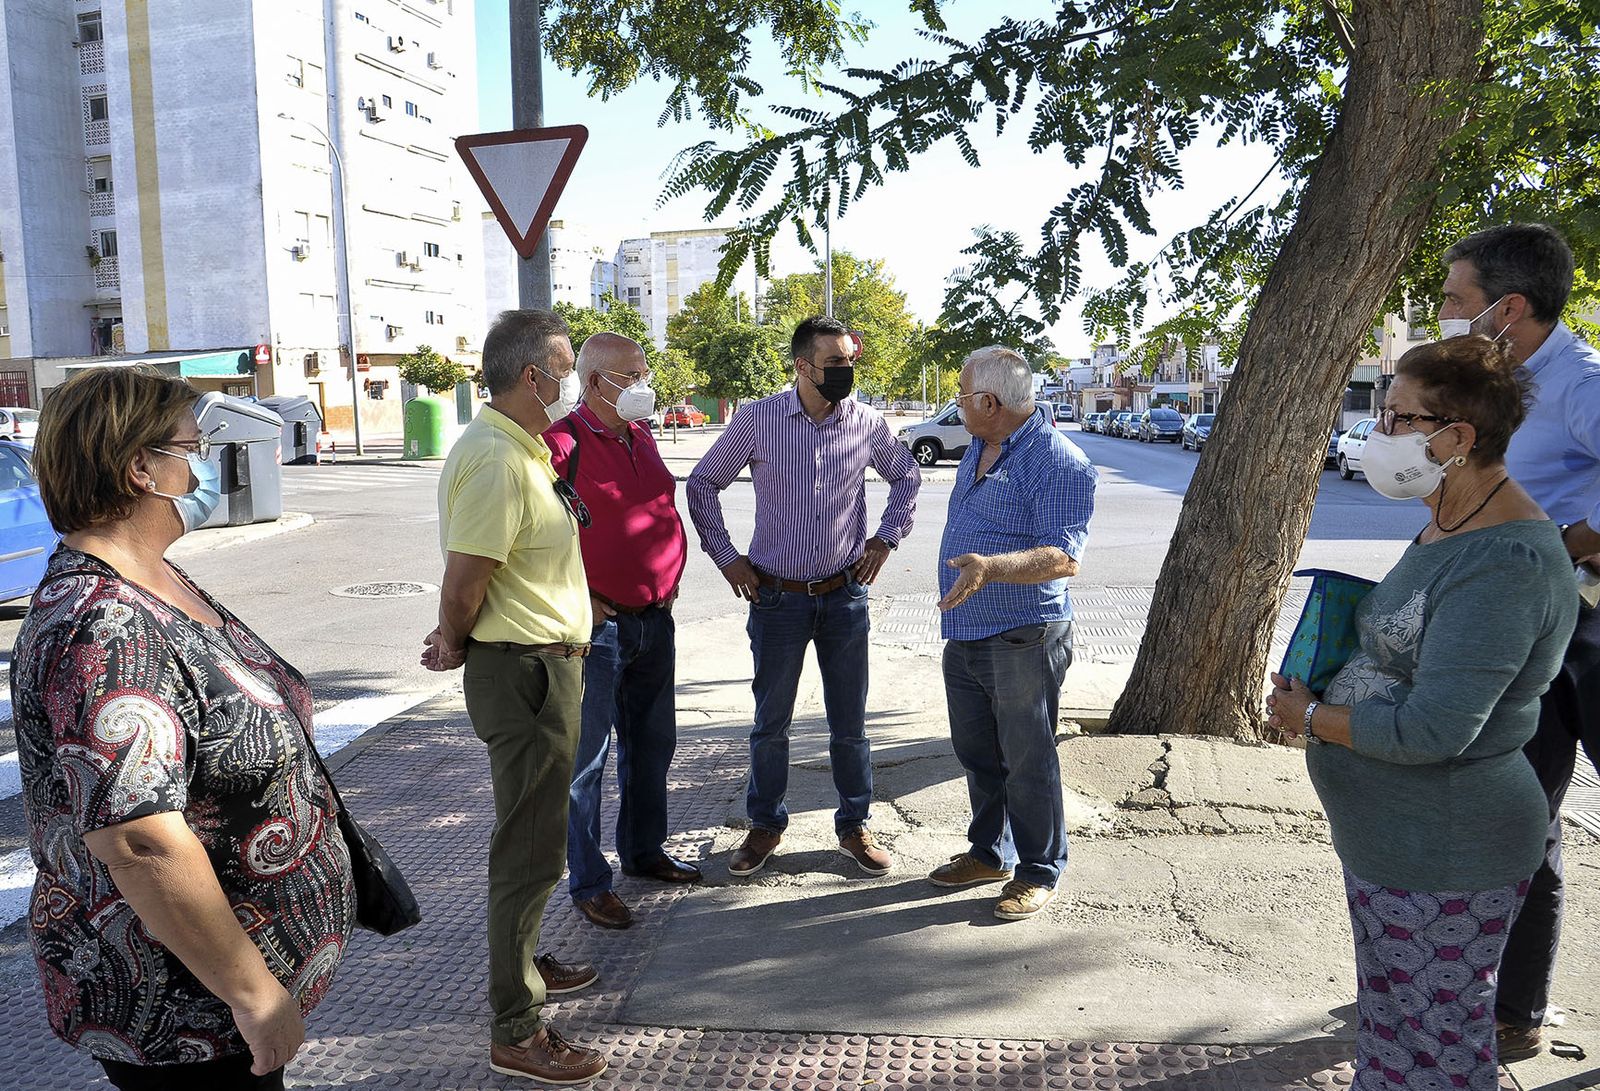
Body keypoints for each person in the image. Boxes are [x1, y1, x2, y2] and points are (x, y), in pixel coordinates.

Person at [12, 367, 353, 1090]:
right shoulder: (102, 622)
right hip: (185, 1010)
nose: (202, 468)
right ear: (141, 468)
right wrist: (254, 996)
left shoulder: (149, 578)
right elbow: (140, 839)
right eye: (192, 449)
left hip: (219, 994)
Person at [1268, 335, 1578, 1090]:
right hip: (1398, 842)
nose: (1378, 432)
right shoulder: (1450, 521)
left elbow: (1434, 729)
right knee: (1398, 1038)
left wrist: (1312, 718)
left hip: (1449, 847)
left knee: (1436, 1053)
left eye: (1398, 417)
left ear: (1456, 437)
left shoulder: (1507, 562)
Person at [422, 309, 607, 1085]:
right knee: (529, 848)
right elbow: (466, 579)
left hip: (542, 664)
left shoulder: (522, 448)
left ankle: (523, 961)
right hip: (525, 671)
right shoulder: (498, 458)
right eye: (565, 369)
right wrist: (452, 637)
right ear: (533, 375)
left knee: (534, 840)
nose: (574, 382)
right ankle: (517, 1025)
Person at [1436, 223, 1600, 1060]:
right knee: (1523, 815)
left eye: (1456, 298)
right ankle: (1512, 1010)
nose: (1444, 311)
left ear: (1508, 307)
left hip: (1589, 631)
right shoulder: (1503, 384)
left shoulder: (1582, 383)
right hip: (1528, 628)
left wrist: (1566, 541)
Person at [686, 315, 921, 877]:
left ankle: (855, 825)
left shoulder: (865, 422)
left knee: (850, 724)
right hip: (777, 599)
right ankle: (765, 825)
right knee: (771, 724)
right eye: (834, 362)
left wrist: (886, 539)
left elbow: (907, 477)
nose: (846, 371)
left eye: (849, 361)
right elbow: (702, 484)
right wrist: (727, 556)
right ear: (802, 366)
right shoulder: (759, 418)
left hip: (844, 597)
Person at [929, 347, 1096, 921]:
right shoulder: (980, 443)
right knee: (978, 752)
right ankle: (988, 854)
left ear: (989, 401)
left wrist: (991, 568)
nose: (957, 403)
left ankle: (1039, 869)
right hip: (967, 629)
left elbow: (1063, 558)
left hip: (1023, 634)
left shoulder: (1059, 461)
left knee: (1027, 759)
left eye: (961, 394)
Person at [544, 332, 698, 932]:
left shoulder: (642, 435)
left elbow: (657, 509)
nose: (642, 386)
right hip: (598, 629)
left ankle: (643, 851)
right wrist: (582, 597)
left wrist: (669, 573)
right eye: (630, 377)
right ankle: (589, 882)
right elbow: (535, 535)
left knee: (653, 745)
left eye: (643, 374)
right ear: (593, 382)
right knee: (586, 763)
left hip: (654, 619)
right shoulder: (562, 443)